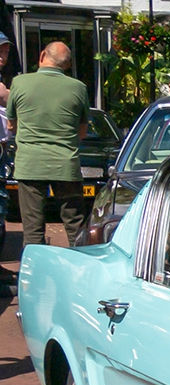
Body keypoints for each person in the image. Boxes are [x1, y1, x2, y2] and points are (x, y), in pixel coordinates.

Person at [7, 41, 88, 250]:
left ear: (42, 55)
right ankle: (79, 271)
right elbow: (82, 132)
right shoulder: (79, 88)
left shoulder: (19, 83)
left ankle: (35, 274)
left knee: (32, 230)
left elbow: (11, 125)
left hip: (30, 164)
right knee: (75, 226)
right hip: (65, 165)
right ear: (67, 65)